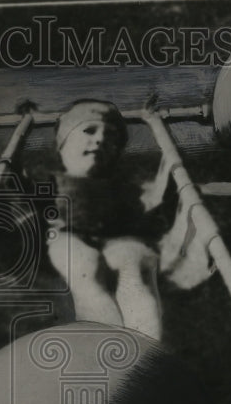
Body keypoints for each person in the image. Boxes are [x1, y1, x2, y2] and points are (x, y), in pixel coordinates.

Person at [45, 100, 166, 341]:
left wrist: (158, 132)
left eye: (110, 136)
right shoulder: (49, 182)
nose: (99, 140)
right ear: (63, 143)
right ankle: (106, 349)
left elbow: (155, 198)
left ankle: (147, 350)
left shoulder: (126, 188)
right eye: (89, 130)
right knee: (84, 265)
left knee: (134, 263)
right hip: (67, 236)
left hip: (118, 238)